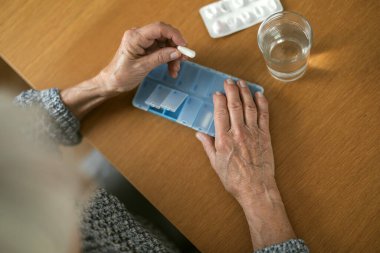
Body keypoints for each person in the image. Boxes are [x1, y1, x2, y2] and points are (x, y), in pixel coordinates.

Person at [1, 22, 309, 252]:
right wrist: (258, 191)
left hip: (122, 215)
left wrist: (105, 83)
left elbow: (25, 131)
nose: (76, 176)